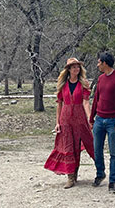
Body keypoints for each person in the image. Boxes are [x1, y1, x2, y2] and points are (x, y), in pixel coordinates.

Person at [44, 57, 94, 188]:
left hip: (80, 118)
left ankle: (87, 172)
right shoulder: (63, 85)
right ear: (69, 70)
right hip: (65, 119)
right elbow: (59, 105)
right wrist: (57, 122)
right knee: (67, 146)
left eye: (77, 67)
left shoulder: (84, 83)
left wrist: (89, 118)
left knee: (80, 146)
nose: (76, 69)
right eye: (73, 67)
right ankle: (70, 177)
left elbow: (86, 101)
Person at [89, 51, 115, 193]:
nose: (98, 64)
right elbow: (96, 99)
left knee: (114, 152)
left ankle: (113, 181)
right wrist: (91, 118)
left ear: (105, 63)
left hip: (113, 121)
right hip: (99, 119)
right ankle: (100, 174)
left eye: (99, 62)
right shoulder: (100, 79)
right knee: (97, 149)